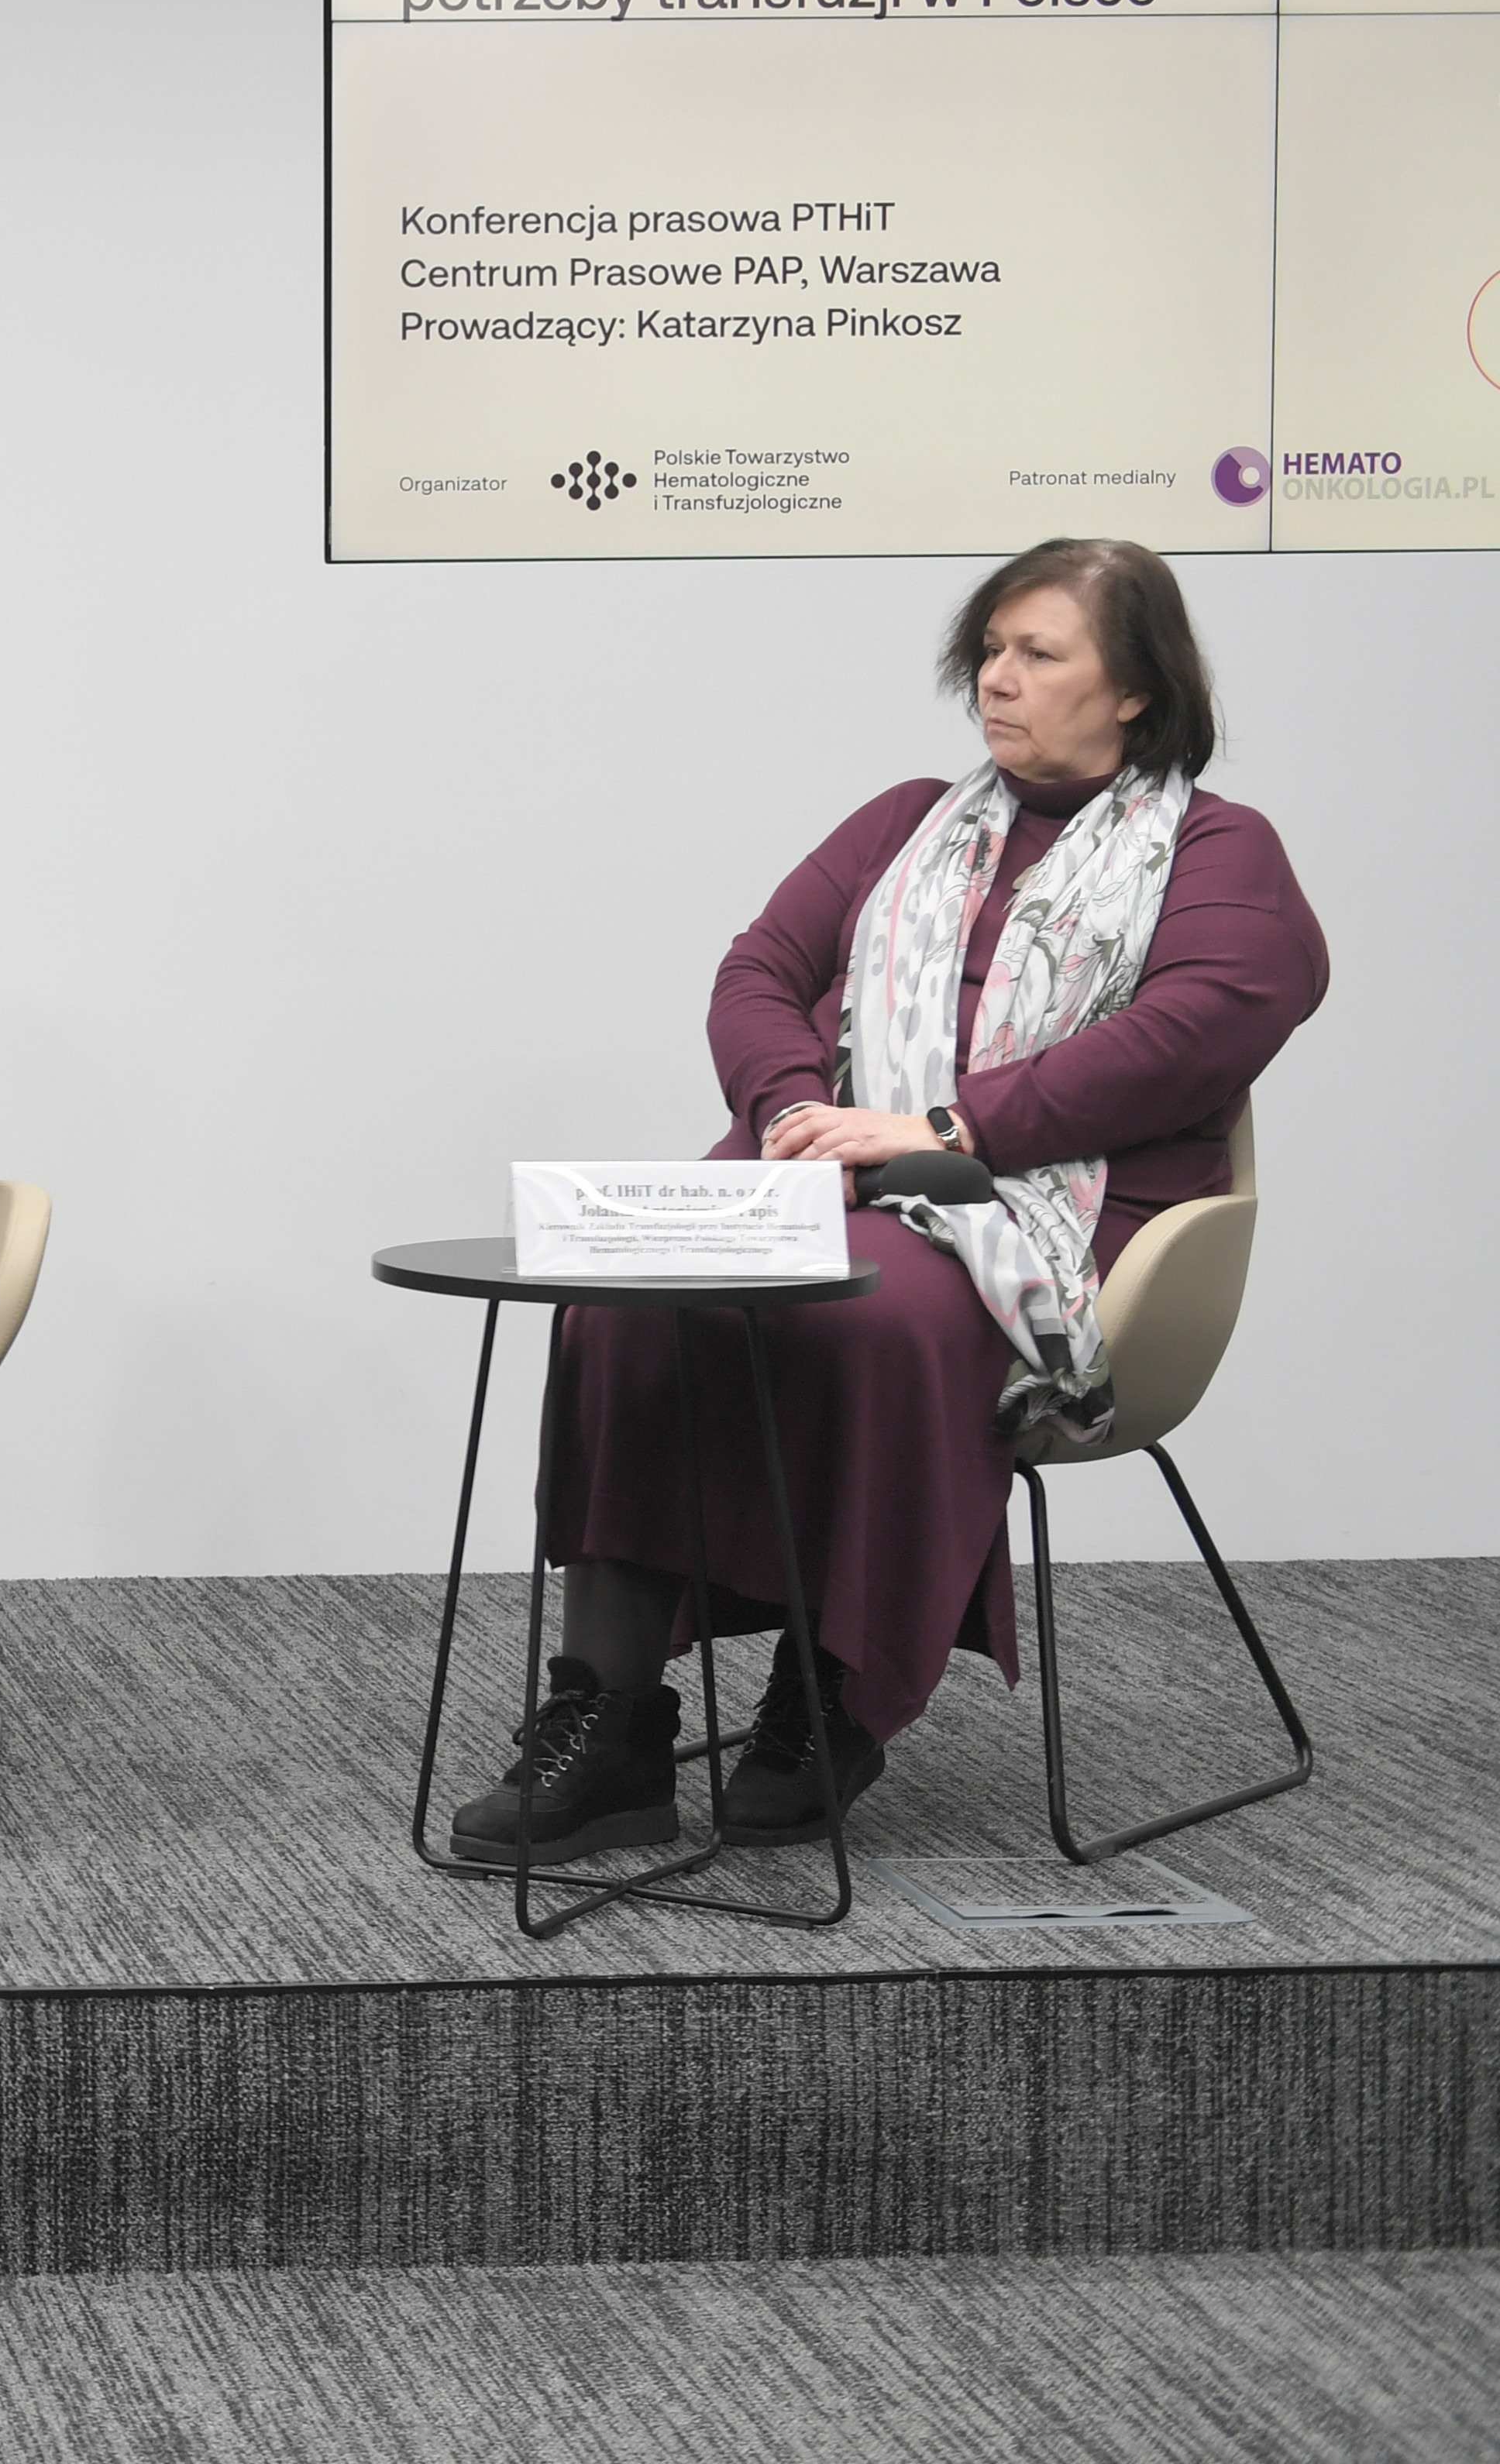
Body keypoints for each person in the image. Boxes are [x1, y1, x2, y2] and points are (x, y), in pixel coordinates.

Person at [460, 540, 1330, 1866]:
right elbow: (758, 971)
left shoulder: (1219, 850)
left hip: (1044, 1211)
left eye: (1039, 655)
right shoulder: (908, 822)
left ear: (1137, 690)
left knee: (862, 1310)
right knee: (623, 1309)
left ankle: (832, 1691)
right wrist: (794, 1116)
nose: (997, 680)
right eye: (990, 651)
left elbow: (1201, 1026)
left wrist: (942, 1129)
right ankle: (612, 1724)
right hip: (827, 1175)